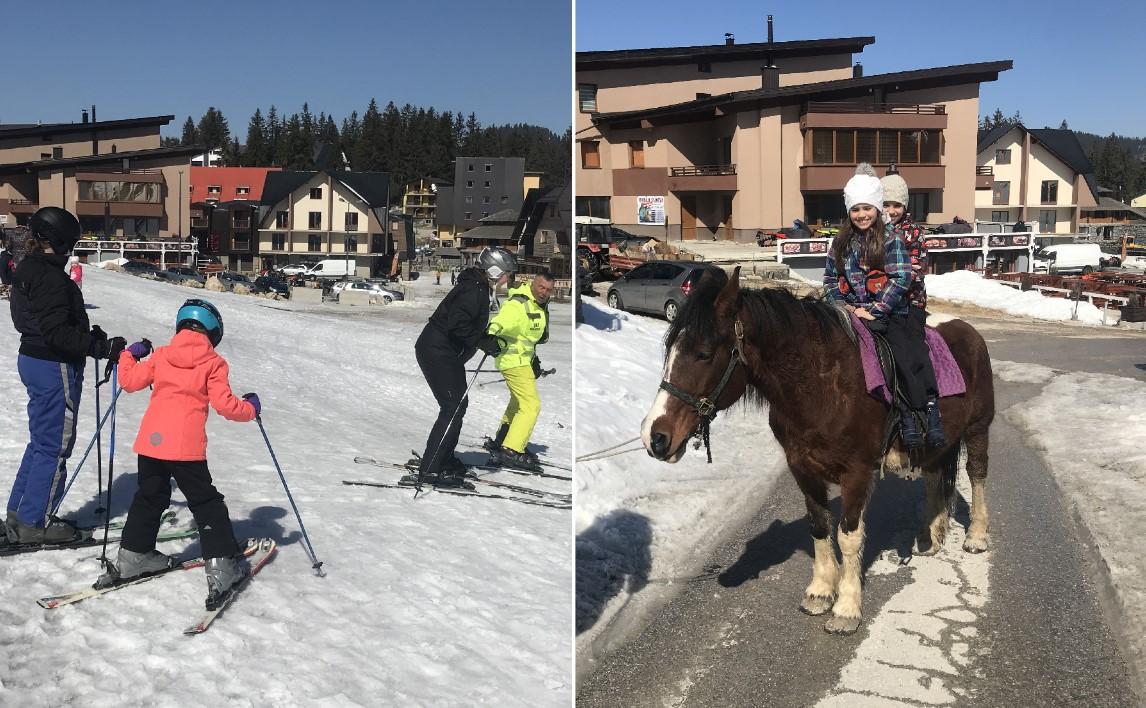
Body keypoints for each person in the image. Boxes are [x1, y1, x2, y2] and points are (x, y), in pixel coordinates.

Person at [101, 299, 259, 609]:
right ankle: (222, 565)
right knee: (205, 502)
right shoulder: (213, 363)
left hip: (151, 443)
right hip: (185, 446)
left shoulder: (161, 355)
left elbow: (130, 381)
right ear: (213, 332)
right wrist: (251, 408)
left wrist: (128, 355)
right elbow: (226, 406)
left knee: (150, 495)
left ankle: (134, 554)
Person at [6, 207, 122, 544]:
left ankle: (20, 511)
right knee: (55, 444)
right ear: (58, 241)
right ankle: (34, 522)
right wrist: (101, 349)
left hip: (35, 360)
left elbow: (45, 323)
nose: (71, 248)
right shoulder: (49, 276)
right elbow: (56, 333)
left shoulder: (29, 268)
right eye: (70, 242)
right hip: (52, 365)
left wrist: (92, 337)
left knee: (41, 442)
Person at [823, 165, 935, 451]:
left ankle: (912, 413)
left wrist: (876, 309)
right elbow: (830, 278)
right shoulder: (840, 241)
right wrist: (843, 307)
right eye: (856, 209)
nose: (862, 215)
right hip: (851, 312)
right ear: (849, 211)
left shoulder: (891, 239)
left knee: (901, 354)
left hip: (886, 312)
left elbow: (902, 277)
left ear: (876, 209)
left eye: (867, 208)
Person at [411, 247, 516, 486]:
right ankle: (430, 469)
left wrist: (484, 337)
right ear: (495, 271)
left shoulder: (478, 288)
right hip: (437, 352)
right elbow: (457, 326)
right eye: (507, 274)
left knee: (458, 406)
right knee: (452, 407)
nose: (507, 279)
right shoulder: (473, 290)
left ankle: (444, 458)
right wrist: (482, 341)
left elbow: (465, 323)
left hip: (447, 354)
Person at [881, 168, 944, 447]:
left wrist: (889, 287)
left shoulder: (913, 233)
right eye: (886, 204)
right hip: (881, 303)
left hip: (910, 302)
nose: (891, 210)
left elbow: (915, 271)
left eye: (896, 204)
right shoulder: (873, 231)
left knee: (913, 349)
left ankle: (928, 408)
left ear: (905, 206)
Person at [483, 271, 555, 472]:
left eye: (548, 290)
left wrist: (534, 360)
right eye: (541, 287)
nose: (544, 292)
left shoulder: (536, 305)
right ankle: (512, 449)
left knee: (518, 403)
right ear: (533, 283)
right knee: (531, 405)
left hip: (523, 360)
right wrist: (489, 335)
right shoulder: (519, 304)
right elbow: (501, 321)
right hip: (513, 361)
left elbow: (527, 338)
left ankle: (502, 439)